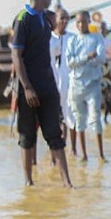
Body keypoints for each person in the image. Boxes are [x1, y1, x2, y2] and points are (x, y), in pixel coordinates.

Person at [10, 0, 73, 187]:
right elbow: (17, 57)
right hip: (29, 88)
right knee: (27, 136)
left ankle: (67, 183)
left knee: (54, 134)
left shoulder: (45, 18)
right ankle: (28, 182)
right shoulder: (22, 20)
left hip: (48, 86)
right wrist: (27, 87)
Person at [66, 10, 107, 162]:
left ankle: (101, 155)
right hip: (76, 84)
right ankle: (84, 154)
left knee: (96, 118)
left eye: (84, 21)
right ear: (75, 24)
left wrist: (83, 60)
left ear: (89, 21)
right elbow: (70, 62)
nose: (81, 24)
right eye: (78, 22)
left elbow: (101, 58)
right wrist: (87, 57)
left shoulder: (97, 38)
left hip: (93, 83)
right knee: (79, 119)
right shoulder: (73, 40)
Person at [49, 8, 77, 156]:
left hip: (70, 82)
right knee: (56, 117)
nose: (64, 21)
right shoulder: (49, 38)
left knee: (71, 115)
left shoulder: (73, 38)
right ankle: (58, 149)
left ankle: (73, 149)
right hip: (53, 82)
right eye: (62, 18)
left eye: (67, 18)